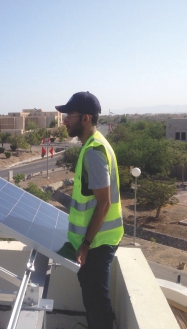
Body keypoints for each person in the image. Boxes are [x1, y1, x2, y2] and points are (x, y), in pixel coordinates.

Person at [55, 92, 124, 329]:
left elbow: (104, 203)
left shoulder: (94, 152)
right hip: (94, 242)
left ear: (85, 119)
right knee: (93, 300)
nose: (64, 120)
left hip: (97, 244)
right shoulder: (93, 145)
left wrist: (85, 243)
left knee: (97, 303)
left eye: (69, 115)